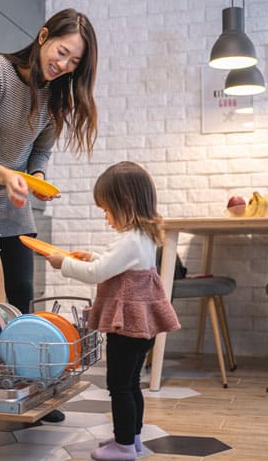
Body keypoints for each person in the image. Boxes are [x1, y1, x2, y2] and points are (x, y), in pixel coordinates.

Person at [0, 8, 99, 423]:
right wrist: (8, 174)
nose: (63, 65)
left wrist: (36, 178)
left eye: (74, 62)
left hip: (13, 195)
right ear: (43, 36)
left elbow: (40, 151)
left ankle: (30, 384)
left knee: (22, 291)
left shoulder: (57, 95)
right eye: (61, 52)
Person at [46, 161, 181, 460]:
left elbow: (98, 272)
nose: (106, 217)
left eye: (107, 209)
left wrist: (63, 263)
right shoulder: (142, 237)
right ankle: (130, 439)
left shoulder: (131, 240)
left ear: (125, 204)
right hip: (140, 328)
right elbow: (116, 266)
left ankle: (123, 448)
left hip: (128, 328)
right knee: (131, 384)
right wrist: (92, 255)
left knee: (118, 386)